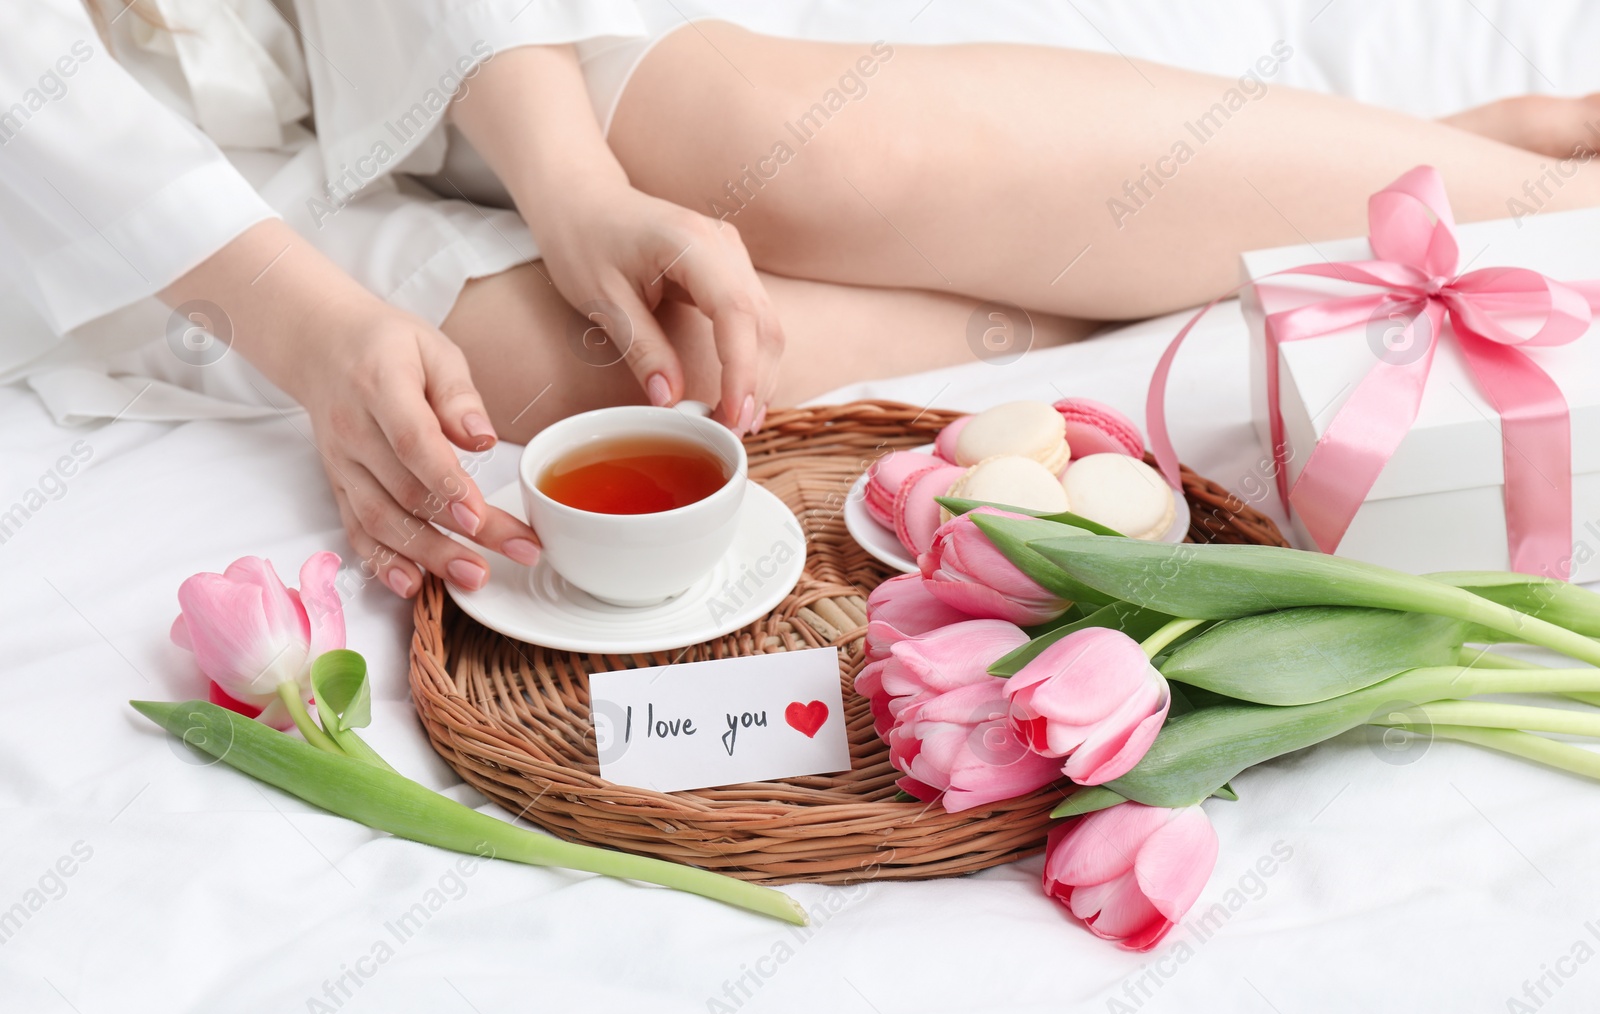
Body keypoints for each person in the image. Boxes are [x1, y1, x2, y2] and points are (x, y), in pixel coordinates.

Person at [7, 0, 1600, 600]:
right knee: (544, 373)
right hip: (69, 170)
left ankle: (1440, 176)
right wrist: (301, 324)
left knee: (814, 163)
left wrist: (573, 185)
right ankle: (1321, 205)